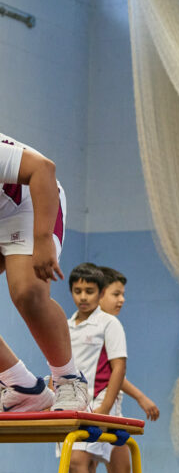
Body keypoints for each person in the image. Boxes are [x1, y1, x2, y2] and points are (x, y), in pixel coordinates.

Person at [0, 135, 88, 412]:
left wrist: (42, 239)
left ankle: (68, 379)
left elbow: (43, 169)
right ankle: (22, 387)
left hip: (26, 205)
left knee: (26, 292)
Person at [55, 264, 126, 473]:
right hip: (67, 404)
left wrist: (105, 408)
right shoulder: (65, 325)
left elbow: (119, 366)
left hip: (96, 405)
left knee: (81, 462)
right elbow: (58, 363)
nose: (83, 297)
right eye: (77, 291)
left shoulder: (109, 324)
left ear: (99, 293)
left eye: (89, 291)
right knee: (78, 468)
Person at [96, 266, 162, 473]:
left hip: (112, 405)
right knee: (84, 469)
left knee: (121, 469)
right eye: (115, 294)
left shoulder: (110, 326)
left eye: (123, 294)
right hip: (98, 406)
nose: (121, 300)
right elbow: (110, 373)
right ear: (99, 295)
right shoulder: (95, 326)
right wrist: (140, 396)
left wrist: (138, 397)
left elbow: (115, 372)